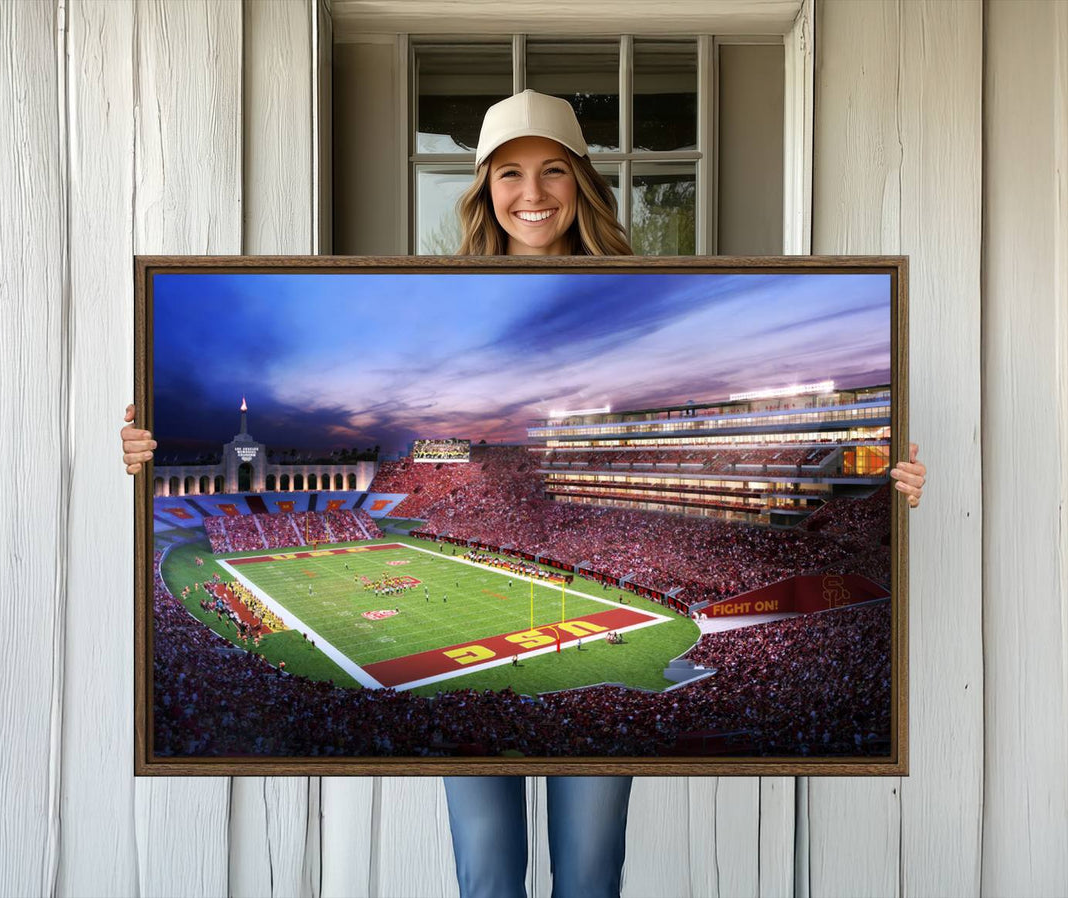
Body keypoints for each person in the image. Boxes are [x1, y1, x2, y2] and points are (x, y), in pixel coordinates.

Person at [120, 88, 928, 898]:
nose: (531, 193)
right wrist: (146, 449)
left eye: (551, 171)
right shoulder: (449, 300)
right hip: (526, 513)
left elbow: (777, 433)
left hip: (584, 498)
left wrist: (878, 474)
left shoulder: (645, 297)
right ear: (483, 189)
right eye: (509, 173)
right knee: (488, 873)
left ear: (581, 181)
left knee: (588, 873)